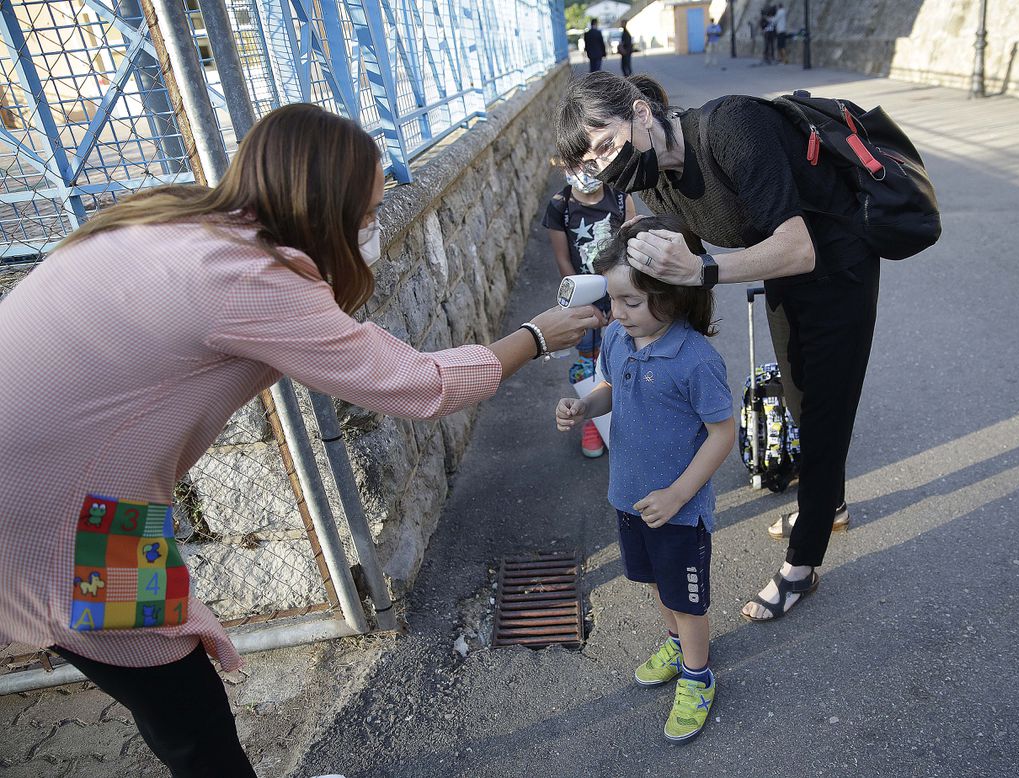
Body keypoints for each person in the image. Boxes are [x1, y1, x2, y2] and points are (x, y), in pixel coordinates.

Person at [0, 103, 598, 776]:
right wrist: (537, 335)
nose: (372, 227)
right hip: (54, 526)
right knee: (186, 713)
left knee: (175, 704)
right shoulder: (252, 279)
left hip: (38, 489)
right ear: (321, 208)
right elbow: (416, 385)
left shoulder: (177, 218)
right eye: (366, 212)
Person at [555, 72, 881, 623]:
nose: (607, 166)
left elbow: (797, 247)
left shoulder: (732, 126)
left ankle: (802, 566)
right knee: (798, 398)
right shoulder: (653, 177)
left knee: (824, 408)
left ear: (641, 113)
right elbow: (644, 260)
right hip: (778, 267)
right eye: (592, 162)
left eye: (607, 144)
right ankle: (830, 503)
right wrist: (602, 299)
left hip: (835, 264)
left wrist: (706, 268)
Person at [554, 215, 734, 742]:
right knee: (657, 582)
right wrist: (585, 406)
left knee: (687, 597)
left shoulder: (696, 359)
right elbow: (612, 388)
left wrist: (680, 493)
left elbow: (721, 433)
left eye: (632, 301)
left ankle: (698, 676)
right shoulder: (616, 337)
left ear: (674, 294)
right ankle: (678, 646)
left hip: (679, 507)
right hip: (630, 496)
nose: (618, 313)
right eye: (613, 300)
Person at [542, 162, 636, 457]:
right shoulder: (560, 207)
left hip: (622, 295)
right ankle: (595, 419)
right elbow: (563, 261)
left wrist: (619, 302)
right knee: (589, 361)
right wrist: (586, 307)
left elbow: (631, 248)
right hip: (584, 303)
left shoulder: (620, 196)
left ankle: (631, 416)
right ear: (560, 164)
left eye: (590, 162)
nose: (584, 171)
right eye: (575, 164)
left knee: (625, 357)